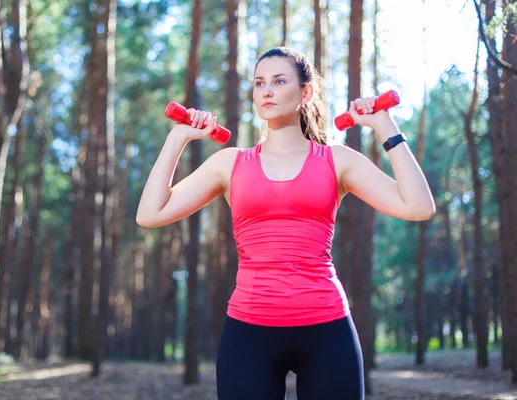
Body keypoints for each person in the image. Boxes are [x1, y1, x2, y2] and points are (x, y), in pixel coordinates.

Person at [136, 47, 435, 400]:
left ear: (305, 93)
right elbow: (150, 214)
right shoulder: (229, 164)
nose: (266, 91)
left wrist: (385, 126)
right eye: (259, 82)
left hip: (326, 327)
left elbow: (418, 206)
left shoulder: (336, 160)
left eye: (279, 81)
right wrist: (178, 138)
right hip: (249, 331)